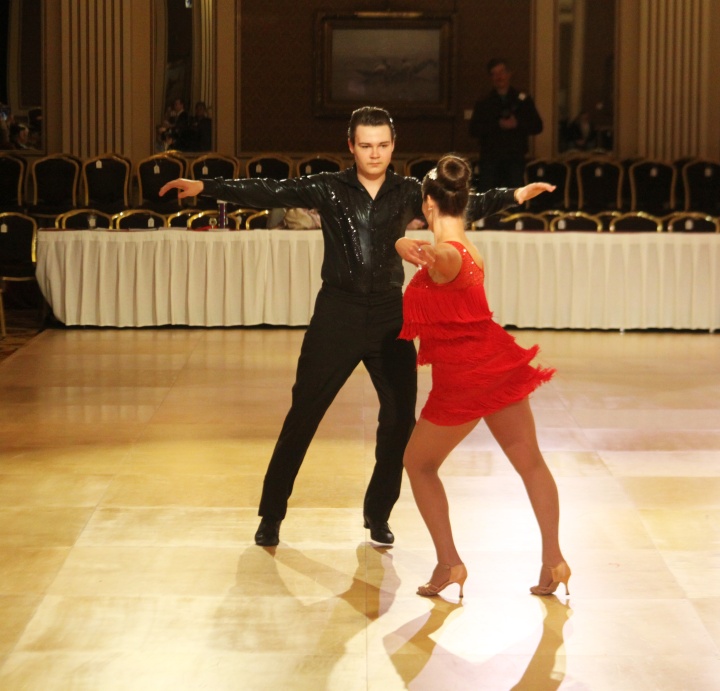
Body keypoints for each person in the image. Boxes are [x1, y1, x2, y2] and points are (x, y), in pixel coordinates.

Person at [159, 106, 553, 548]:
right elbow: (270, 190)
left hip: (390, 316)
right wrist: (207, 186)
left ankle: (378, 513)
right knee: (303, 415)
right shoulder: (328, 187)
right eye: (366, 145)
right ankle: (271, 514)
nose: (375, 154)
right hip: (337, 315)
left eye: (383, 145)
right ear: (350, 145)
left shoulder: (410, 190)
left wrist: (514, 194)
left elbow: (459, 203)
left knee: (400, 419)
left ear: (393, 145)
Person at [395, 154, 569, 599]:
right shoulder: (468, 246)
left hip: (465, 379)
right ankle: (555, 560)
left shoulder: (449, 253)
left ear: (428, 203)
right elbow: (436, 258)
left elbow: (436, 258)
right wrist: (405, 245)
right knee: (530, 462)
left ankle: (449, 563)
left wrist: (401, 244)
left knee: (418, 463)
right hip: (495, 363)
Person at [469, 58, 543, 190]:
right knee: (488, 199)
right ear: (491, 77)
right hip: (490, 159)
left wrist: (517, 124)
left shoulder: (523, 100)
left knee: (514, 198)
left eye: (502, 72)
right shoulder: (484, 102)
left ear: (509, 74)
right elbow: (473, 130)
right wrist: (497, 125)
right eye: (494, 73)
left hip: (514, 158)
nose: (499, 77)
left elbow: (537, 126)